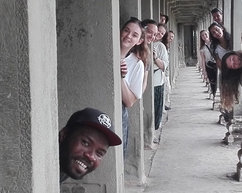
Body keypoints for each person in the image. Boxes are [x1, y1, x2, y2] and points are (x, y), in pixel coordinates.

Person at [59, 108, 122, 182]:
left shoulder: (65, 167)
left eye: (99, 153)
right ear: (64, 134)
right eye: (85, 143)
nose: (91, 157)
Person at [119, 18, 148, 156]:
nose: (128, 36)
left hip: (118, 114)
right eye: (126, 30)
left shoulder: (136, 64)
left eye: (134, 35)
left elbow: (130, 102)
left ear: (139, 41)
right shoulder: (106, 52)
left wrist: (121, 77)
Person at [144, 20, 169, 133]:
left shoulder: (160, 46)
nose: (159, 34)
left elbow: (164, 66)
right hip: (144, 79)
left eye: (162, 33)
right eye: (158, 31)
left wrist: (155, 58)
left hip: (157, 80)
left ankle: (153, 131)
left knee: (156, 108)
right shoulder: (144, 42)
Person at [200, 29, 218, 95]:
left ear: (209, 34)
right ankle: (214, 94)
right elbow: (203, 60)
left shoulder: (215, 43)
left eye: (205, 34)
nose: (204, 36)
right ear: (201, 38)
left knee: (219, 80)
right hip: (209, 66)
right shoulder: (202, 48)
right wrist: (204, 72)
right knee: (212, 81)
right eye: (202, 35)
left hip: (217, 64)